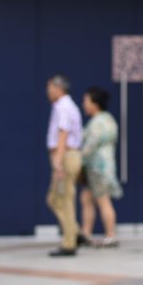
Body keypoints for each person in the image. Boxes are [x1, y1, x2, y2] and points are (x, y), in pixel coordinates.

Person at [77, 86, 123, 248]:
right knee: (86, 198)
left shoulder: (98, 123)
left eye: (86, 101)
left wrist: (78, 160)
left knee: (103, 200)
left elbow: (90, 145)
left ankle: (111, 235)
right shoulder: (109, 119)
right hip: (103, 166)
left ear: (94, 103)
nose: (84, 104)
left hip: (98, 168)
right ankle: (86, 234)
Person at [44, 75, 83, 257]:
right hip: (66, 155)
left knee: (63, 199)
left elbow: (63, 133)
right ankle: (74, 231)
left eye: (50, 88)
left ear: (59, 88)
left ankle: (69, 242)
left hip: (66, 155)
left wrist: (58, 160)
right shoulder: (64, 106)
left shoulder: (63, 107)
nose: (48, 92)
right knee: (56, 199)